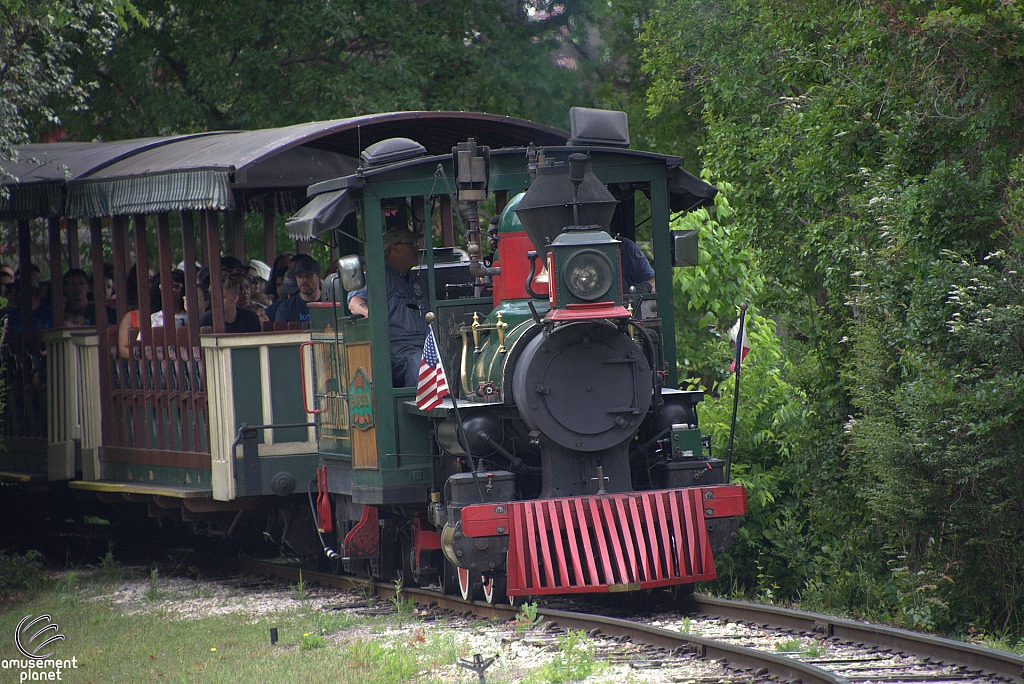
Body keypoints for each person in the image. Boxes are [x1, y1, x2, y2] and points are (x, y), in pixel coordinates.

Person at [347, 228, 428, 387]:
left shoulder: (415, 280)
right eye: (411, 245)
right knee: (417, 360)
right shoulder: (379, 275)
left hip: (424, 342)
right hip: (393, 346)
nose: (417, 249)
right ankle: (416, 407)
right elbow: (354, 302)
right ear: (395, 249)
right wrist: (370, 313)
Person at [274, 256, 322, 325]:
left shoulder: (330, 303)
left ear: (319, 277)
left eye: (307, 276)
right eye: (299, 277)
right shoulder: (286, 308)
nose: (303, 280)